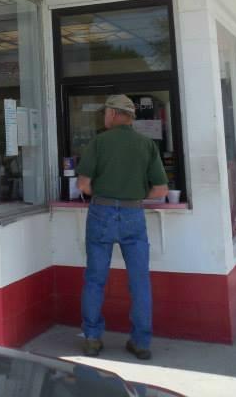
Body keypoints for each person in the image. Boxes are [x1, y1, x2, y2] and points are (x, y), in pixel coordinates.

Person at [76, 94, 168, 361]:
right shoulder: (147, 145)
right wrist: (134, 195)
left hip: (101, 213)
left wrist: (104, 195)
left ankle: (92, 338)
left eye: (106, 112)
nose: (104, 117)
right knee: (139, 281)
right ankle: (141, 343)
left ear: (115, 114)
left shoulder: (99, 142)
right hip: (133, 214)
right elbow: (161, 189)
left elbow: (83, 185)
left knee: (95, 279)